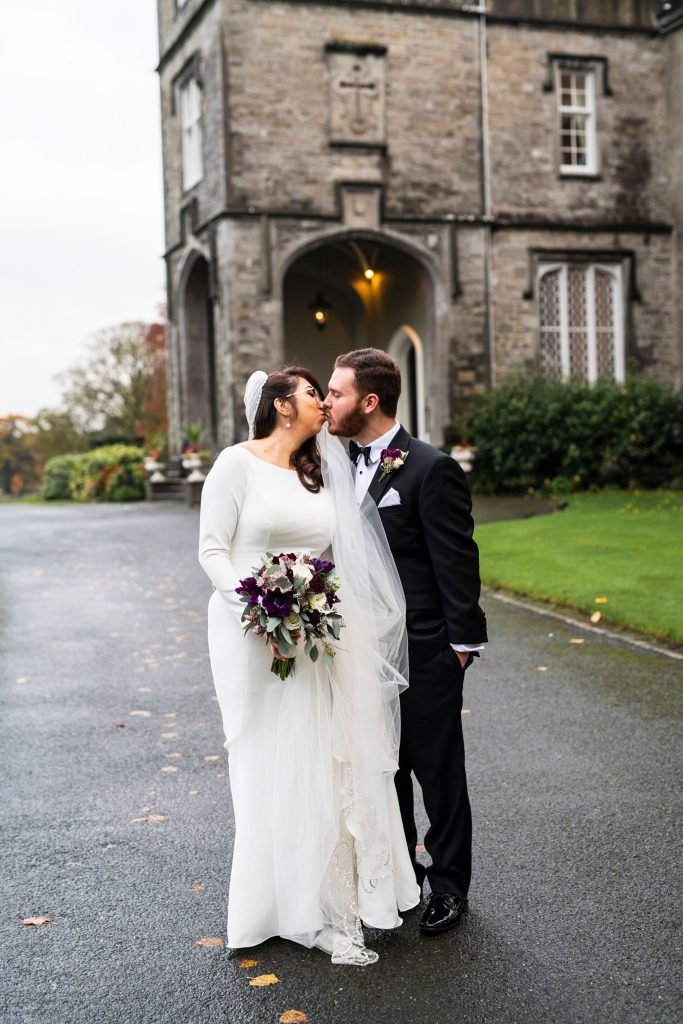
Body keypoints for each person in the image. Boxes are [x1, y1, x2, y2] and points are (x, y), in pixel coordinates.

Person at [198, 366, 420, 966]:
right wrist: (261, 609)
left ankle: (322, 904)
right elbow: (213, 550)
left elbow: (341, 556)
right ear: (280, 405)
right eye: (310, 394)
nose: (323, 402)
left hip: (317, 634)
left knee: (322, 759)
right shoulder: (234, 465)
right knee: (268, 757)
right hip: (251, 631)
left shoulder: (320, 472)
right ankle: (269, 906)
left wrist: (313, 611)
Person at [324, 348, 488, 936]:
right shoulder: (336, 466)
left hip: (425, 648)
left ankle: (449, 885)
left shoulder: (429, 467)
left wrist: (461, 645)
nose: (326, 402)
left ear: (369, 401)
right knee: (381, 767)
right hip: (360, 654)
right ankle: (400, 878)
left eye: (336, 393)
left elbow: (456, 560)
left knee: (437, 772)